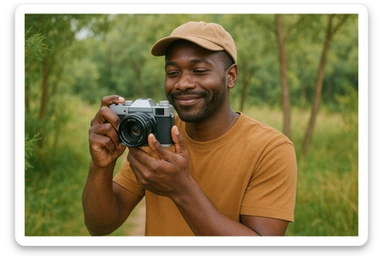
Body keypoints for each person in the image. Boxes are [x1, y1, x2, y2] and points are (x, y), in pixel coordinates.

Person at [82, 21, 297, 236]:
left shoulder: (270, 149)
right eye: (173, 73)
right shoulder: (157, 137)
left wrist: (181, 189)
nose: (183, 83)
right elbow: (100, 225)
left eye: (199, 70)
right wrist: (101, 166)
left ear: (230, 76)